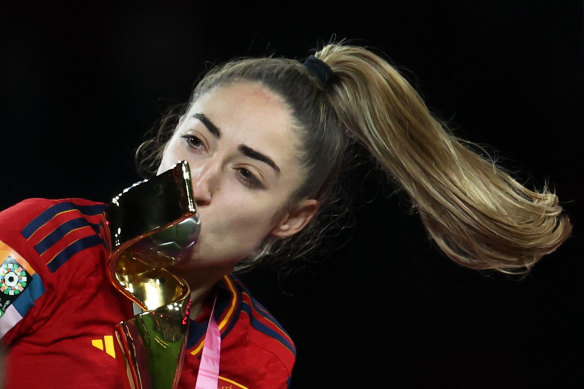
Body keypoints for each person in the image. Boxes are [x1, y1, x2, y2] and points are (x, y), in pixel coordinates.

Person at [0, 42, 572, 388]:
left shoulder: (261, 356)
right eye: (197, 142)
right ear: (167, 137)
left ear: (291, 219)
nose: (199, 182)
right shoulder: (42, 243)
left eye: (248, 174)